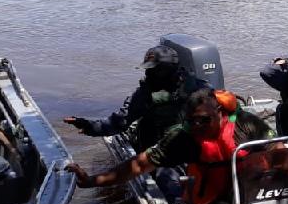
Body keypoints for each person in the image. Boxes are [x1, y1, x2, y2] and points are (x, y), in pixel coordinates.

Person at [66, 89, 271, 204]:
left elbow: (279, 148)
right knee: (166, 177)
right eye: (192, 121)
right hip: (211, 201)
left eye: (204, 120)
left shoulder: (246, 123)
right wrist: (92, 181)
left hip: (254, 196)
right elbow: (138, 165)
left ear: (220, 113)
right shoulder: (183, 137)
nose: (198, 126)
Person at [63, 45, 201, 152]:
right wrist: (88, 126)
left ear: (168, 69)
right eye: (148, 69)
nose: (148, 73)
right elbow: (119, 122)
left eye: (154, 70)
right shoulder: (145, 94)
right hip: (159, 147)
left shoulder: (194, 87)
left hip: (187, 141)